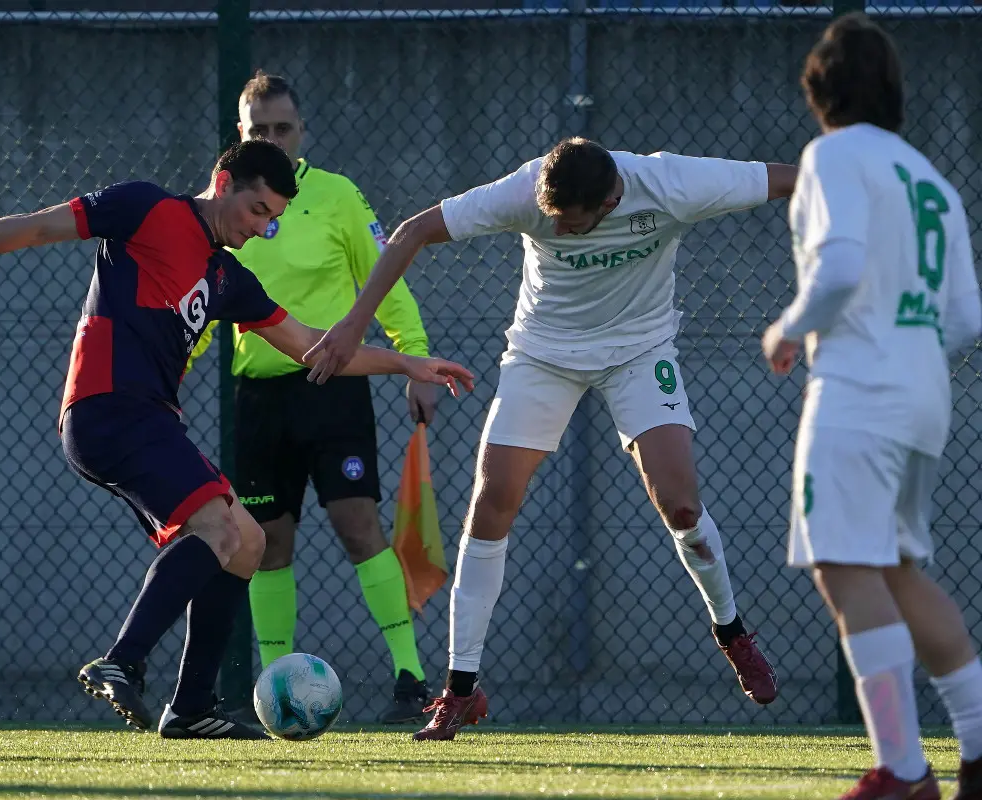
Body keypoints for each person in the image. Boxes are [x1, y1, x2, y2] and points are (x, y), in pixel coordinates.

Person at [0, 139, 474, 740]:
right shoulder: (146, 208)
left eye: (273, 219)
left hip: (149, 419)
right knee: (221, 528)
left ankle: (190, 708)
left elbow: (312, 348)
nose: (261, 228)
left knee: (244, 542)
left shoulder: (227, 277)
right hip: (106, 407)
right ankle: (124, 660)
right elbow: (36, 230)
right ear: (223, 183)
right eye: (257, 210)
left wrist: (409, 363)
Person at [306, 135, 797, 740]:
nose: (557, 232)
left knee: (683, 506)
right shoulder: (528, 189)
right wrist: (354, 325)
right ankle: (460, 689)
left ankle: (732, 632)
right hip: (543, 356)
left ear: (613, 200)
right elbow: (410, 232)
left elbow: (790, 179)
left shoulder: (673, 184)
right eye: (552, 221)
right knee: (491, 505)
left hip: (639, 352)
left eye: (573, 225)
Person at [762, 14, 982, 800]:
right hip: (925, 390)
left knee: (845, 566)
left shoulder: (830, 157)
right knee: (897, 568)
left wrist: (789, 328)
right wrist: (906, 347)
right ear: (894, 90)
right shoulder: (932, 179)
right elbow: (967, 319)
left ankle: (904, 771)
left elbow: (841, 263)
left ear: (816, 88)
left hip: (859, 390)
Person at [188, 71, 436, 723]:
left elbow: (386, 281)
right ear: (239, 138)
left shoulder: (337, 197)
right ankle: (278, 684)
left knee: (359, 525)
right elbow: (196, 299)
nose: (273, 138)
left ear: (303, 132)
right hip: (260, 397)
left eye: (283, 128)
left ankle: (411, 678)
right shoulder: (221, 208)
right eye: (259, 129)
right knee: (267, 542)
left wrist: (414, 360)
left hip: (335, 388)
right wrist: (169, 378)